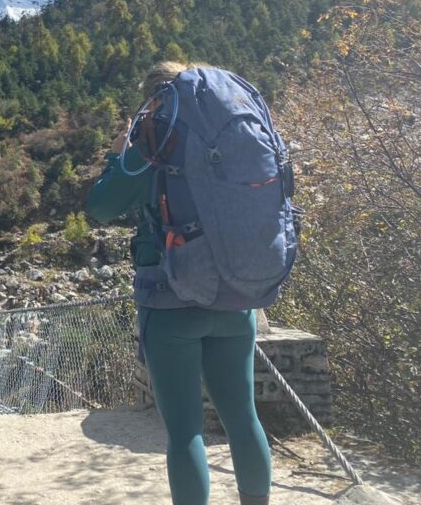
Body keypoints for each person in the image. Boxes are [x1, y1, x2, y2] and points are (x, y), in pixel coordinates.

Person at [87, 61, 294, 505]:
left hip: (171, 302)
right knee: (243, 418)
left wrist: (121, 151)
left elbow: (102, 206)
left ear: (155, 99)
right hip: (236, 299)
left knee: (185, 432)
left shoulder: (154, 136)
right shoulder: (225, 134)